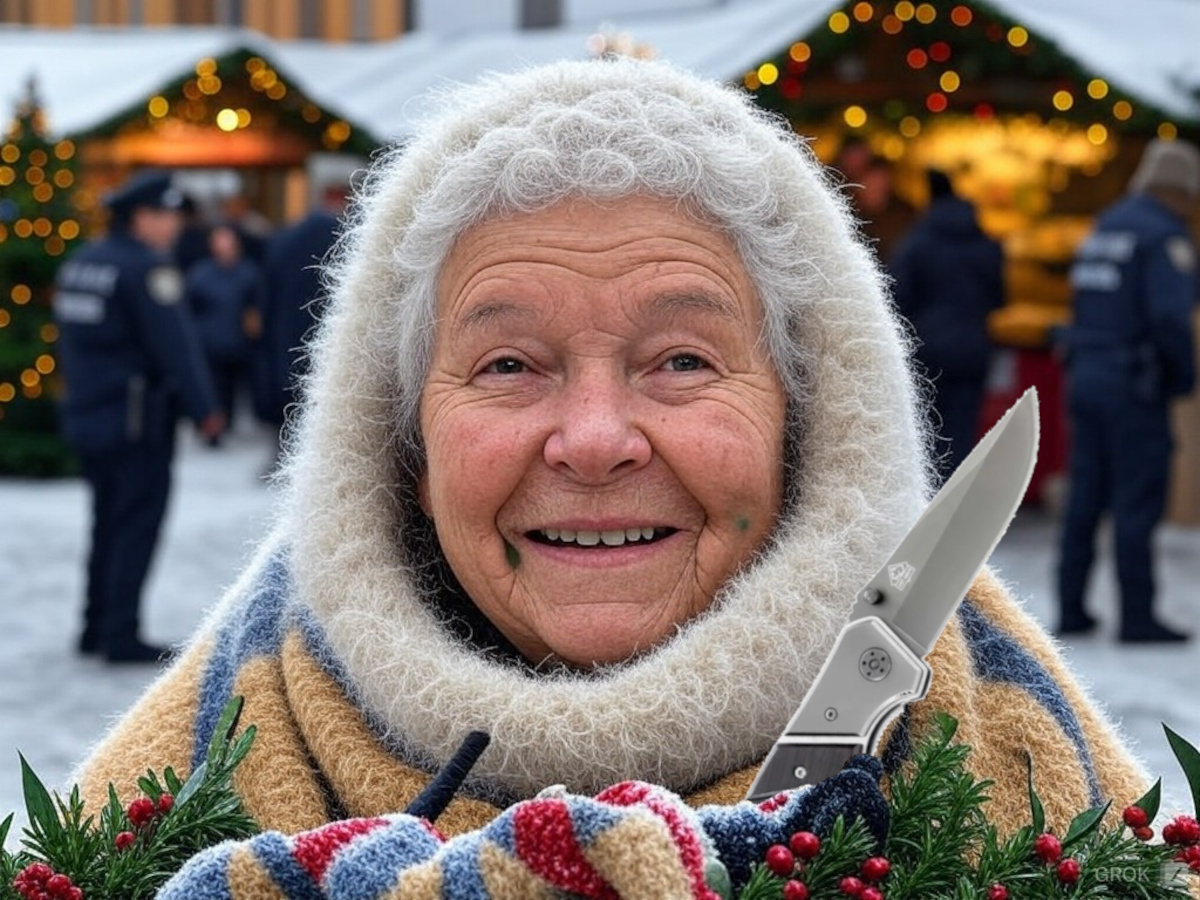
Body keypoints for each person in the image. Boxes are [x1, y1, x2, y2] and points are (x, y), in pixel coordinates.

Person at [72, 61, 1148, 891]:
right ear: (403, 448)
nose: (594, 440)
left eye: (682, 361)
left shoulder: (1003, 747)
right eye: (507, 364)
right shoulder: (215, 749)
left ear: (804, 423)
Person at [53, 169, 225, 664]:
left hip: (89, 416)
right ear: (141, 217)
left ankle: (93, 624)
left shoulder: (83, 262)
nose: (174, 226)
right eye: (167, 215)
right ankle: (119, 632)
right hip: (137, 421)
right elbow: (177, 346)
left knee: (105, 521)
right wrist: (205, 409)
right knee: (134, 525)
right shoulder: (147, 270)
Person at [1054, 138, 1199, 643]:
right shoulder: (1163, 235)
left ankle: (1071, 608)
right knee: (1137, 500)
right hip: (1134, 386)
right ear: (1180, 192)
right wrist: (1183, 376)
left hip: (1086, 375)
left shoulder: (1108, 224)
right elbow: (1169, 317)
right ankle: (1137, 616)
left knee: (1086, 496)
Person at [890, 168, 1006, 482]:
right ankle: (958, 508)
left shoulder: (917, 242)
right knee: (963, 432)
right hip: (973, 349)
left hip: (929, 350)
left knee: (926, 436)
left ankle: (930, 508)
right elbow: (999, 299)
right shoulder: (986, 244)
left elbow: (897, 297)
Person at [256, 182, 347, 461]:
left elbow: (266, 288)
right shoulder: (345, 236)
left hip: (286, 326)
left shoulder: (286, 237)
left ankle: (283, 450)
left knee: (289, 388)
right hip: (331, 326)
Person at [184, 221, 266, 431]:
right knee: (212, 386)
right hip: (209, 342)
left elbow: (256, 306)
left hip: (237, 341)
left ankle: (226, 421)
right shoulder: (200, 273)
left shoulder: (248, 272)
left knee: (232, 388)